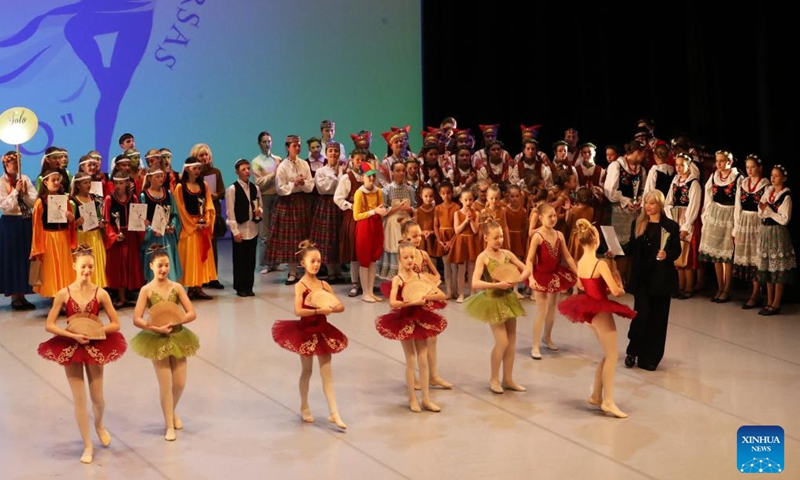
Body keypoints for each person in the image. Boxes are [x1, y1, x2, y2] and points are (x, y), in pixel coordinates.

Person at [37, 245, 126, 463]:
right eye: (83, 266)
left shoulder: (101, 293)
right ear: (74, 266)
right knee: (80, 400)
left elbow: (116, 324)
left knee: (97, 398)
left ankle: (99, 424)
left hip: (95, 345)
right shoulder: (63, 293)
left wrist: (96, 331)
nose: (87, 270)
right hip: (71, 346)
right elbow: (49, 324)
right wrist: (73, 335)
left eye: (90, 267)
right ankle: (87, 445)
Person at [558, 220, 635, 418]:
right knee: (612, 356)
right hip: (600, 310)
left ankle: (595, 395)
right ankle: (608, 401)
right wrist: (617, 277)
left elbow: (583, 287)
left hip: (588, 311)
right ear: (596, 240)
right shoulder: (600, 264)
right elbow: (617, 292)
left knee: (607, 353)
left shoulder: (581, 262)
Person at [271, 241, 348, 428]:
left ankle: (334, 412)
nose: (316, 264)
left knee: (327, 373)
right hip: (305, 332)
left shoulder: (323, 284)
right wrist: (317, 311)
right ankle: (304, 406)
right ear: (303, 263)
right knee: (307, 371)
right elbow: (298, 310)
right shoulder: (300, 286)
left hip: (323, 332)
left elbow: (340, 306)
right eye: (313, 261)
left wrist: (330, 308)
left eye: (319, 261)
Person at [131, 245, 199, 441]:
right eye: (160, 265)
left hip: (178, 336)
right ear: (151, 266)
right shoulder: (146, 290)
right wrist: (154, 328)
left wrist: (179, 320)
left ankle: (171, 411)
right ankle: (169, 425)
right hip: (157, 339)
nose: (164, 269)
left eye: (167, 265)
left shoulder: (176, 288)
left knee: (179, 383)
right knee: (165, 384)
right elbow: (137, 318)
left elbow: (191, 312)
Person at [377, 241, 447, 411]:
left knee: (423, 359)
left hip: (421, 319)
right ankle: (412, 399)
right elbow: (393, 302)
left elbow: (441, 294)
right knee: (411, 359)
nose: (410, 260)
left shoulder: (420, 277)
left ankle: (426, 399)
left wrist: (428, 295)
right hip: (405, 320)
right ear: (399, 259)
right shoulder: (398, 279)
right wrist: (412, 301)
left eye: (412, 257)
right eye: (406, 257)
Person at [465, 218, 530, 393]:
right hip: (492, 301)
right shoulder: (483, 257)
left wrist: (517, 279)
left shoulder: (507, 254)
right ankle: (494, 379)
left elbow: (526, 268)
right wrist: (497, 285)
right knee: (502, 341)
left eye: (501, 236)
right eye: (495, 237)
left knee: (511, 341)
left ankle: (508, 379)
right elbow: (475, 283)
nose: (499, 240)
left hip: (508, 299)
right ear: (486, 238)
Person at [618, 190, 681, 371]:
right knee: (641, 316)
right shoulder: (638, 224)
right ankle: (633, 351)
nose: (648, 207)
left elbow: (677, 251)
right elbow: (631, 247)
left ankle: (651, 357)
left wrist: (667, 254)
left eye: (652, 203)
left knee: (658, 320)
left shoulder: (670, 227)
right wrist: (615, 250)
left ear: (659, 205)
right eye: (647, 203)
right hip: (643, 279)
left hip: (661, 280)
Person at [526, 203, 578, 359]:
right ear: (541, 218)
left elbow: (567, 257)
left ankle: (547, 337)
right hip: (541, 275)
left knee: (552, 309)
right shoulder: (537, 236)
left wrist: (578, 273)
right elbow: (529, 260)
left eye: (555, 215)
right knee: (541, 311)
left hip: (555, 275)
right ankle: (535, 345)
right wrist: (530, 277)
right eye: (550, 216)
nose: (554, 218)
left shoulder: (559, 235)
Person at [267, 135, 314, 285]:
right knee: (291, 239)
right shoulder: (283, 167)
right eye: (295, 146)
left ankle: (308, 271)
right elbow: (280, 189)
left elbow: (311, 185)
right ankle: (292, 272)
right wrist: (294, 184)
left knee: (304, 237)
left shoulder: (304, 164)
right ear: (288, 147)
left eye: (299, 145)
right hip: (288, 204)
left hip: (302, 202)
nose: (298, 148)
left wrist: (302, 183)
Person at [698, 150, 740, 302]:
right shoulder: (714, 176)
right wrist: (706, 216)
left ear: (730, 162)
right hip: (716, 214)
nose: (719, 164)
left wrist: (736, 225)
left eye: (722, 161)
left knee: (726, 255)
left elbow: (738, 203)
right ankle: (720, 287)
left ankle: (727, 289)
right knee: (716, 254)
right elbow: (708, 196)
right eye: (717, 161)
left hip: (729, 215)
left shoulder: (737, 178)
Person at [174, 157, 217, 299]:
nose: (197, 171)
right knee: (190, 257)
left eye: (199, 168)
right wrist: (193, 225)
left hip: (202, 226)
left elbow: (209, 204)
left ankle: (199, 287)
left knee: (201, 257)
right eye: (194, 168)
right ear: (187, 169)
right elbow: (180, 209)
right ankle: (191, 287)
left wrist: (207, 220)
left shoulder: (204, 185)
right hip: (190, 227)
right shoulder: (180, 187)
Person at [31, 170, 77, 300]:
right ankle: (55, 299)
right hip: (48, 238)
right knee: (52, 269)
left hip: (63, 237)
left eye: (58, 180)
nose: (57, 182)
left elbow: (71, 220)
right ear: (45, 182)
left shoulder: (64, 199)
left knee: (64, 267)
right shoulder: (40, 202)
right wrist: (37, 246)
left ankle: (64, 297)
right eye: (53, 180)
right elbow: (36, 225)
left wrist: (71, 218)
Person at [756, 165, 795, 315]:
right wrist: (766, 211)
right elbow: (761, 212)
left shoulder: (786, 197)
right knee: (767, 268)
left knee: (777, 269)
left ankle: (776, 303)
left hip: (778, 233)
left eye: (777, 176)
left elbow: (784, 220)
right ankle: (769, 300)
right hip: (766, 231)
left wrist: (770, 212)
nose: (773, 178)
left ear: (783, 178)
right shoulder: (768, 192)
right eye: (772, 175)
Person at [0, 151, 37, 309]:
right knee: (13, 258)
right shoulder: (2, 182)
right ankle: (15, 296)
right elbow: (4, 205)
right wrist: (15, 191)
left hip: (26, 220)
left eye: (18, 163)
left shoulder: (25, 179)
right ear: (6, 165)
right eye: (13, 163)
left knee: (25, 258)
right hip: (10, 223)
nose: (16, 166)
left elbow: (34, 200)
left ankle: (23, 294)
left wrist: (25, 193)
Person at [103, 171, 145, 308]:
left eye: (121, 183)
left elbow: (138, 218)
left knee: (130, 266)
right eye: (116, 183)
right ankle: (121, 297)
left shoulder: (133, 198)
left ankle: (127, 296)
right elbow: (107, 220)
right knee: (119, 267)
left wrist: (141, 227)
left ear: (127, 183)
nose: (118, 186)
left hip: (130, 235)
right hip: (117, 237)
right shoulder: (109, 199)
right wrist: (114, 236)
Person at [733, 155, 769, 308]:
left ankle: (756, 293)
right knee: (748, 258)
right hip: (744, 222)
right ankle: (754, 291)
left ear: (759, 168)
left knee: (757, 258)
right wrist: (736, 229)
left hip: (757, 224)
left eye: (752, 167)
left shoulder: (765, 185)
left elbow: (766, 208)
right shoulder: (743, 183)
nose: (749, 170)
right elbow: (737, 207)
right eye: (747, 167)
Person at [664, 153, 702, 299]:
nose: (679, 168)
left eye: (682, 165)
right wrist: (670, 217)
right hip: (676, 220)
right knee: (678, 255)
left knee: (688, 255)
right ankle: (680, 286)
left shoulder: (693, 184)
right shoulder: (675, 182)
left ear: (688, 166)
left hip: (688, 221)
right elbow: (668, 202)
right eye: (677, 165)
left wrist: (686, 226)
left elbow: (694, 206)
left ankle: (688, 288)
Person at [225, 159, 262, 297]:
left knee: (250, 260)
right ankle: (240, 286)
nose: (247, 171)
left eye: (248, 169)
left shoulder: (255, 188)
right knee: (239, 260)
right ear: (237, 172)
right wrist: (235, 231)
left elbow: (260, 205)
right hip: (240, 230)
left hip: (252, 229)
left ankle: (249, 286)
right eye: (243, 169)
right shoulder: (232, 189)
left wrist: (260, 212)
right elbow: (230, 212)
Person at [191, 144, 225, 290]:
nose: (204, 158)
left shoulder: (216, 172)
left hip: (212, 213)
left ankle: (213, 277)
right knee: (200, 247)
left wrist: (215, 195)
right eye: (201, 155)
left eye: (206, 155)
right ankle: (201, 277)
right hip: (198, 215)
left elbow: (222, 191)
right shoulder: (194, 175)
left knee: (213, 246)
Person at [139, 167, 182, 283]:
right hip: (152, 238)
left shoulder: (167, 193)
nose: (160, 179)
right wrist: (150, 229)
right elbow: (140, 219)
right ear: (150, 178)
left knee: (168, 262)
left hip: (167, 237)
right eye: (157, 176)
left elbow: (174, 213)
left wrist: (172, 225)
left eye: (161, 176)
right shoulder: (143, 196)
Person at [334, 149, 367, 297]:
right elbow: (338, 198)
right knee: (354, 251)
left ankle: (367, 283)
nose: (360, 162)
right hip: (353, 217)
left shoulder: (368, 177)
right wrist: (352, 206)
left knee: (365, 250)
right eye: (358, 159)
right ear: (352, 160)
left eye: (363, 160)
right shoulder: (347, 178)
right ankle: (355, 283)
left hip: (367, 217)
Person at [251, 132, 283, 274]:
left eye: (269, 141)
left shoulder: (278, 159)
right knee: (265, 233)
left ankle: (275, 262)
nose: (267, 144)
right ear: (259, 144)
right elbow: (259, 183)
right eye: (264, 141)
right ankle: (265, 263)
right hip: (264, 197)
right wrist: (273, 175)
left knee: (277, 230)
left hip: (277, 196)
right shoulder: (256, 162)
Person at [70, 172, 108, 288]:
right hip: (83, 237)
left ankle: (97, 291)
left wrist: (101, 223)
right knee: (84, 264)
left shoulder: (95, 199)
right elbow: (70, 224)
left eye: (89, 182)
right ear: (77, 185)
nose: (88, 185)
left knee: (96, 263)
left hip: (95, 236)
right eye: (85, 183)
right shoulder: (73, 201)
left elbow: (98, 216)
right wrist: (76, 223)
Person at [449, 188, 480, 302]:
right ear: (461, 200)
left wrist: (471, 220)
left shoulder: (476, 213)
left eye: (470, 199)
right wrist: (465, 221)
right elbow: (457, 230)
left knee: (471, 269)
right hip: (461, 242)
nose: (468, 202)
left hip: (472, 242)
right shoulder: (457, 213)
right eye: (465, 200)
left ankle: (472, 293)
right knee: (461, 269)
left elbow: (476, 230)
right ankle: (461, 294)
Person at [433, 182, 459, 298]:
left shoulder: (456, 207)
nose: (446, 195)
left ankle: (455, 290)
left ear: (452, 193)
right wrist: (439, 240)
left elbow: (458, 227)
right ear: (440, 194)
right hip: (442, 238)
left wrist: (452, 240)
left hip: (453, 236)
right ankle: (448, 291)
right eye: (443, 193)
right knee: (446, 266)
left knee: (455, 267)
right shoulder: (437, 208)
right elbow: (435, 226)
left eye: (448, 193)